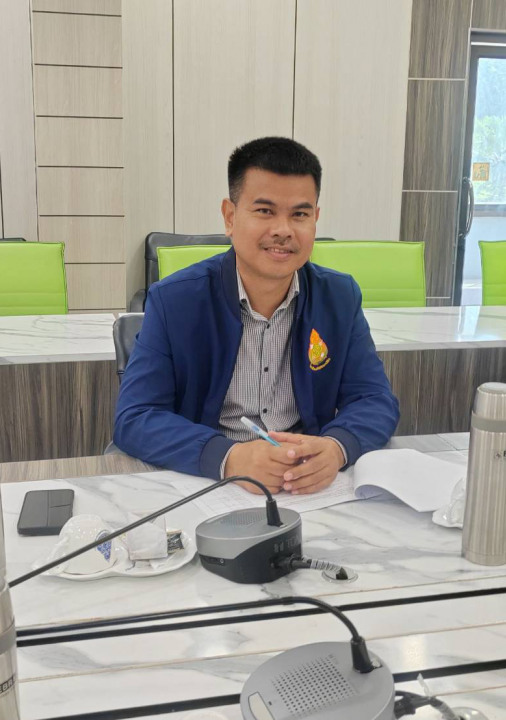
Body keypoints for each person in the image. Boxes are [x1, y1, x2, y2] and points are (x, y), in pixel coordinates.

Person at [113, 137, 400, 494]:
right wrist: (229, 457)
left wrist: (336, 447)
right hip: (207, 480)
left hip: (305, 483)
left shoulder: (339, 297)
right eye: (265, 211)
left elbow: (375, 399)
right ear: (230, 217)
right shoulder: (174, 301)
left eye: (300, 214)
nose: (283, 230)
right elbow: (136, 417)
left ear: (316, 219)